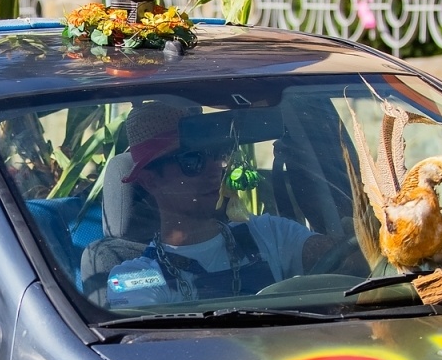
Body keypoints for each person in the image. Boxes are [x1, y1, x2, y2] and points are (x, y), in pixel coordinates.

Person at [104, 101, 336, 308]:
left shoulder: (271, 234)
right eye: (192, 160)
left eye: (216, 153)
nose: (215, 168)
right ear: (150, 180)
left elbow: (348, 262)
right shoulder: (133, 279)